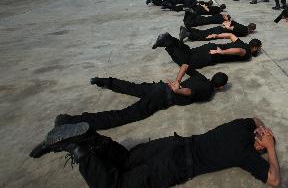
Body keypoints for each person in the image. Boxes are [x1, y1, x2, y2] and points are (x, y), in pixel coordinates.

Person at [29, 117, 280, 188]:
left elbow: (256, 117)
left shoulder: (241, 126)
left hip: (171, 143)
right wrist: (270, 149)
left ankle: (91, 138)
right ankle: (78, 148)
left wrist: (263, 130)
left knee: (125, 159)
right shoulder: (245, 154)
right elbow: (274, 180)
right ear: (259, 145)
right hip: (176, 165)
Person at [47, 64, 227, 131]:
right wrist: (178, 89)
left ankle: (104, 81)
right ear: (220, 87)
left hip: (161, 86)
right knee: (124, 115)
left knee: (132, 87)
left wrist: (176, 81)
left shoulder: (201, 77)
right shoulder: (209, 91)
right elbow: (190, 93)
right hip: (164, 97)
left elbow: (185, 65)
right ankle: (70, 121)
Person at [152, 32, 262, 69]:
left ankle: (169, 38)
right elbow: (239, 51)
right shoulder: (247, 53)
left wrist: (216, 35)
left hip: (211, 46)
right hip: (213, 54)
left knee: (189, 51)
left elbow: (230, 35)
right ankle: (167, 43)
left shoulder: (242, 42)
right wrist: (221, 52)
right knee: (188, 62)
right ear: (255, 47)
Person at [179, 21, 256, 42]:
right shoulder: (244, 30)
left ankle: (187, 29)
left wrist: (225, 24)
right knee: (204, 36)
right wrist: (227, 27)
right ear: (252, 30)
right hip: (222, 31)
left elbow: (232, 22)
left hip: (221, 28)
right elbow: (232, 29)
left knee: (204, 32)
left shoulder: (243, 26)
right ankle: (187, 34)